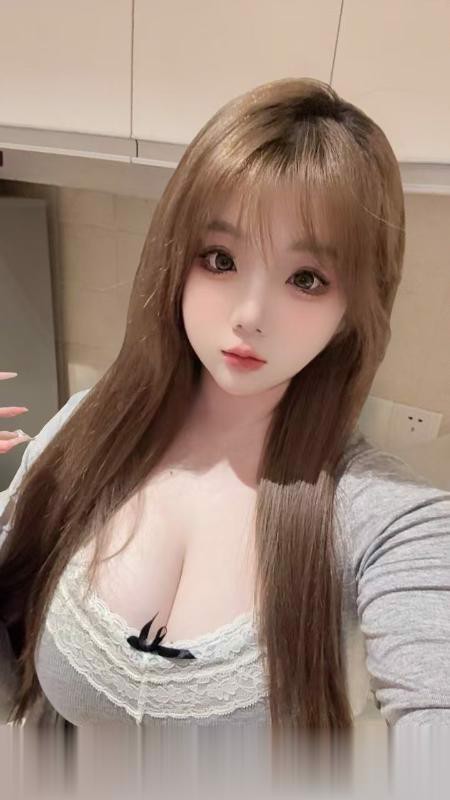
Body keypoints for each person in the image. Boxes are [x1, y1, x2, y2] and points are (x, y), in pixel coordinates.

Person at [0, 77, 449, 739]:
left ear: (353, 307)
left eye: (306, 278)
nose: (249, 315)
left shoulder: (387, 520)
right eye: (220, 259)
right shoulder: (89, 427)